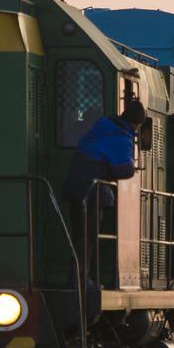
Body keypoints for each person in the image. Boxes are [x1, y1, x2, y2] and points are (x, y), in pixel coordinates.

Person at [61, 100, 146, 284]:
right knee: (88, 237)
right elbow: (125, 169)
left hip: (76, 188)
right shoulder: (121, 136)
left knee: (79, 235)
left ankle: (78, 277)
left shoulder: (101, 128)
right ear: (137, 123)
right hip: (91, 193)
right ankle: (80, 279)